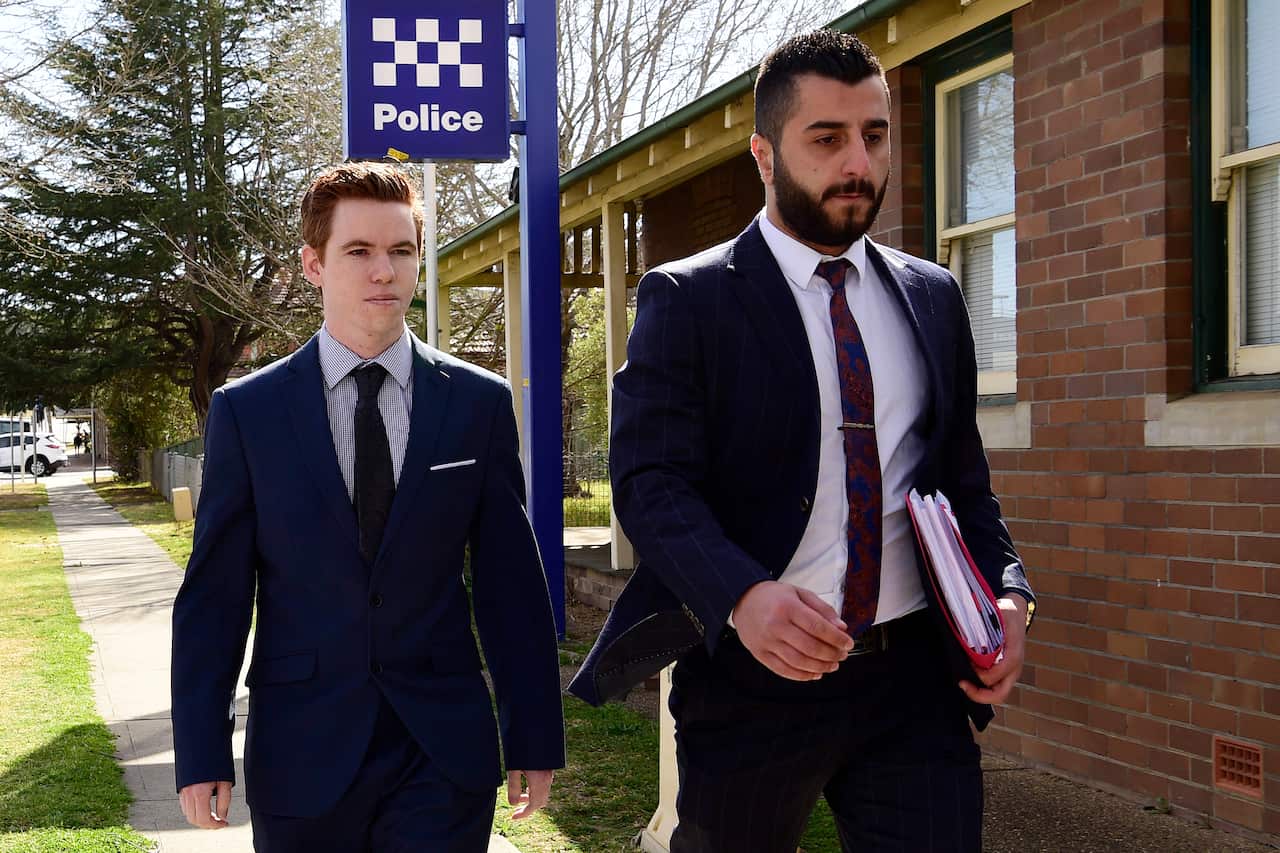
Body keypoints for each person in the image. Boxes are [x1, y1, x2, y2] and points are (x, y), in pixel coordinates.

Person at [569, 29, 1035, 852]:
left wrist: (1009, 594)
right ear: (763, 153)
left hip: (913, 681)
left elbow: (964, 479)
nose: (858, 162)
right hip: (752, 685)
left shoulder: (934, 296)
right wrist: (744, 596)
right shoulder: (690, 298)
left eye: (875, 134)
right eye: (826, 138)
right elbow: (651, 482)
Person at [171, 162, 565, 852]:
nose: (384, 270)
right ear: (314, 264)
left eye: (401, 250)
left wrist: (532, 731)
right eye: (359, 251)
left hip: (441, 753)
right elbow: (216, 596)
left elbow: (510, 586)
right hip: (301, 752)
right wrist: (202, 749)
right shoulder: (247, 412)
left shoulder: (478, 404)